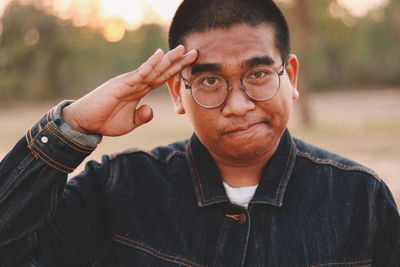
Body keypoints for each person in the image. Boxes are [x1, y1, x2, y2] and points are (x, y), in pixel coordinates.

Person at [0, 0, 399, 266]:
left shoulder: (360, 200)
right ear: (177, 92)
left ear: (290, 76)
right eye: (210, 81)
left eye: (258, 75)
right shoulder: (118, 188)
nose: (238, 104)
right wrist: (72, 126)